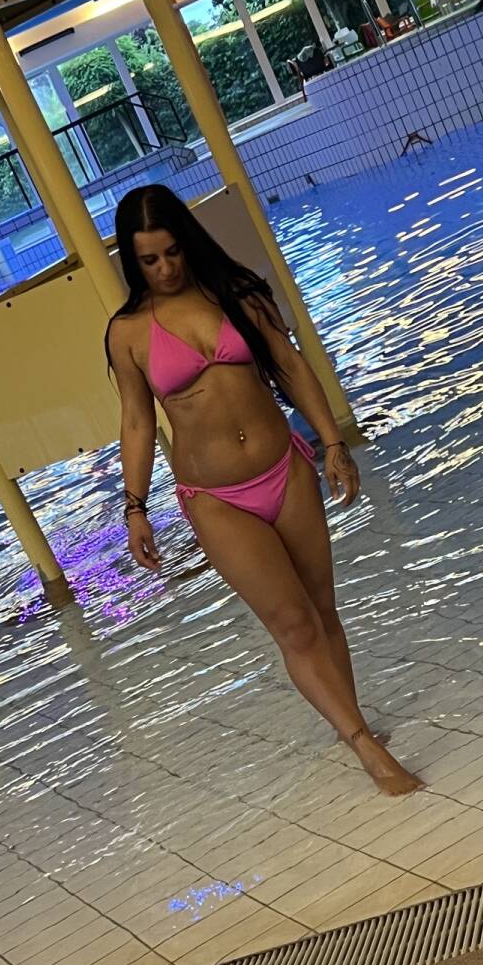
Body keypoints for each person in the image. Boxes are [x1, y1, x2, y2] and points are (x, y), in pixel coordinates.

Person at [106, 185, 423, 797]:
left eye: (172, 252)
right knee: (294, 626)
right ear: (132, 261)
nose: (165, 269)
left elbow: (291, 366)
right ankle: (368, 749)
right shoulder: (127, 333)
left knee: (322, 609)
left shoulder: (237, 293)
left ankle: (351, 723)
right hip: (216, 498)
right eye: (149, 260)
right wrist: (135, 507)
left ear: (186, 243)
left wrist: (333, 442)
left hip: (286, 468)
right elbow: (137, 423)